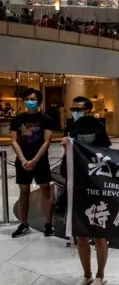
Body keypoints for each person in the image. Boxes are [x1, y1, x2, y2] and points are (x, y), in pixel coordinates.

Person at [61, 96, 112, 285]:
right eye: (73, 108)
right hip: (79, 188)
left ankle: (100, 275)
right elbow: (65, 169)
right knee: (82, 235)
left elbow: (107, 156)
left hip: (97, 188)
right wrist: (66, 150)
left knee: (99, 236)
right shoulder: (71, 129)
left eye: (78, 109)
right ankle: (87, 274)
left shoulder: (98, 128)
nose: (75, 112)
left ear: (88, 110)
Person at [10, 88, 54, 238]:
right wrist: (23, 159)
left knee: (46, 191)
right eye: (27, 99)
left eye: (33, 99)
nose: (30, 101)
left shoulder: (45, 119)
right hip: (22, 162)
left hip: (40, 161)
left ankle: (48, 224)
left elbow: (47, 141)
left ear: (39, 101)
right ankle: (23, 224)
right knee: (24, 192)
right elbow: (14, 141)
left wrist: (35, 160)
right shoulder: (17, 119)